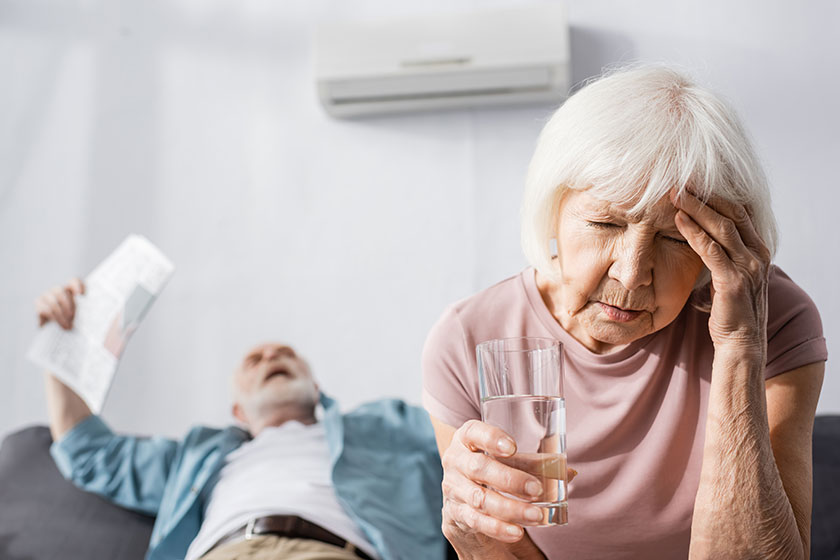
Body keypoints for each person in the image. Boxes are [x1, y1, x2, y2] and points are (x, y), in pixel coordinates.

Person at [422, 65, 827, 560]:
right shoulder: (469, 338)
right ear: (552, 210)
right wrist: (476, 540)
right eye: (604, 222)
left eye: (676, 239)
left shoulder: (774, 318)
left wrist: (741, 347)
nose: (633, 273)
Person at [36, 279, 447, 560]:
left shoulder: (387, 426)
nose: (271, 356)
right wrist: (61, 343)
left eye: (284, 353)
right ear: (238, 411)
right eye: (255, 360)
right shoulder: (196, 457)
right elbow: (85, 451)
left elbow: (468, 425)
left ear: (316, 387)